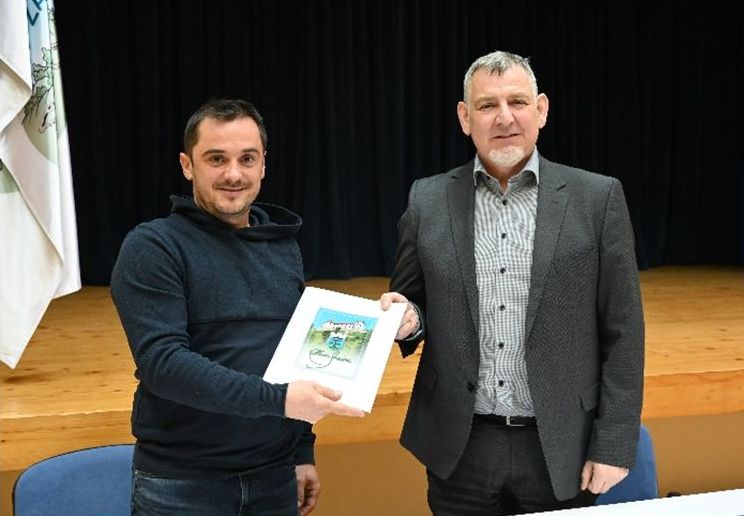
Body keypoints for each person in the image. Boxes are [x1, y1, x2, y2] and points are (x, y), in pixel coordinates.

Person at [380, 51, 645, 515]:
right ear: (465, 118)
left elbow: (624, 333)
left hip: (561, 444)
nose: (504, 117)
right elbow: (414, 302)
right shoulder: (427, 199)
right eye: (486, 105)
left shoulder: (597, 198)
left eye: (517, 102)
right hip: (460, 447)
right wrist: (406, 320)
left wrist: (614, 443)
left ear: (541, 110)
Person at [111, 98, 364, 516]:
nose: (233, 174)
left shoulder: (281, 245)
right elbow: (164, 364)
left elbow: (297, 356)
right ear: (187, 164)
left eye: (247, 158)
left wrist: (302, 450)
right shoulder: (152, 247)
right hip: (182, 486)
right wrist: (280, 400)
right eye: (216, 158)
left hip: (274, 480)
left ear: (263, 165)